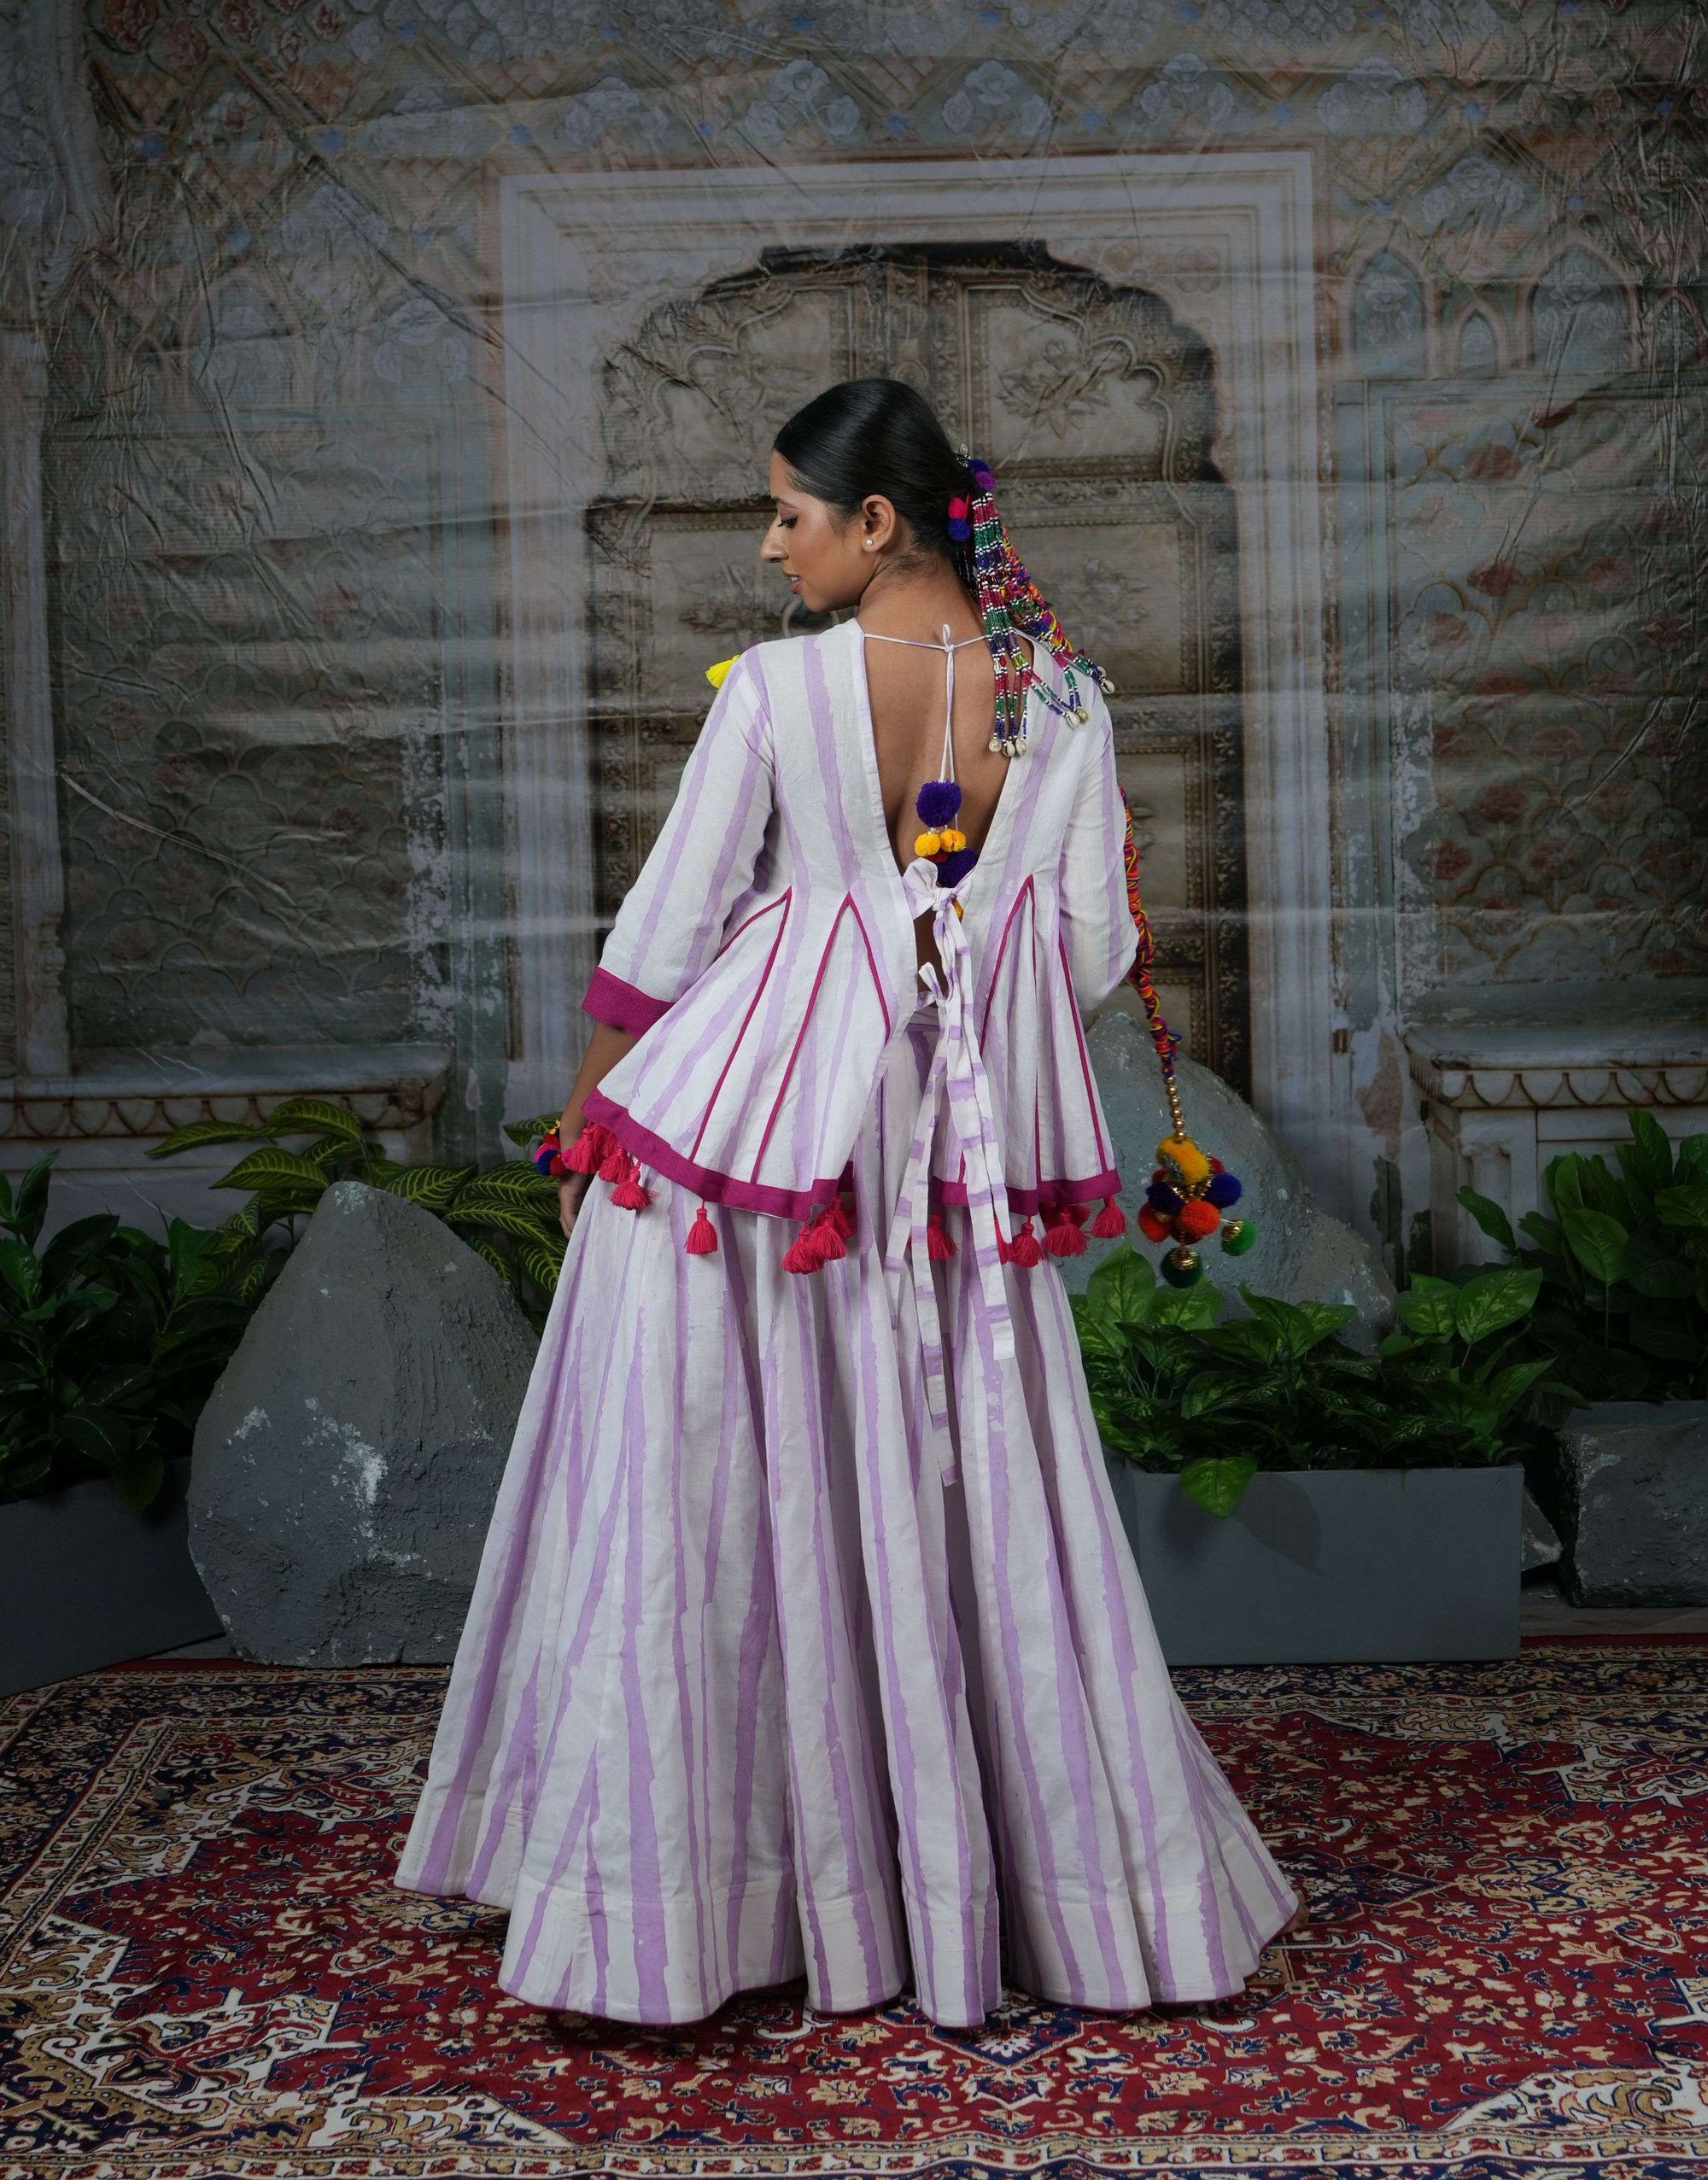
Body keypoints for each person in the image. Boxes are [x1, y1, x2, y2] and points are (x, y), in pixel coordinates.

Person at [396, 377, 1301, 2029]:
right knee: (957, 1500)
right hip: (955, 1172)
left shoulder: (780, 692)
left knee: (720, 1526)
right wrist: (952, 952)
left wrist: (606, 1103)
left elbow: (666, 936)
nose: (770, 542)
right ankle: (1008, 1892)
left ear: (875, 521)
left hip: (746, 1155)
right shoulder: (1069, 703)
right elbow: (1095, 960)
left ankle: (690, 1901)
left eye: (789, 514)